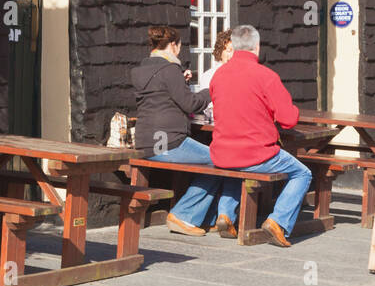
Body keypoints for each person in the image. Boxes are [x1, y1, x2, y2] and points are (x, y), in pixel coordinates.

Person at [209, 24, 313, 247]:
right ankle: (278, 222)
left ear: (233, 46)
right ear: (257, 46)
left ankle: (225, 215)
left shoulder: (218, 75)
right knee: (302, 173)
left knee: (235, 168)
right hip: (256, 154)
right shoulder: (266, 76)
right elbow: (288, 119)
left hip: (222, 152)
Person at [130, 25, 239, 238]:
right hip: (168, 143)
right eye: (179, 46)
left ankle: (205, 218)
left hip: (145, 141)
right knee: (223, 159)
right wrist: (211, 91)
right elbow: (190, 104)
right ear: (173, 45)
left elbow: (160, 96)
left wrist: (181, 82)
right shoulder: (170, 70)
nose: (180, 51)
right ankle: (184, 215)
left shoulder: (141, 69)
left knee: (215, 160)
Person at [194, 28, 233, 124]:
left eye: (236, 51)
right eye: (229, 50)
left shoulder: (244, 75)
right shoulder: (209, 75)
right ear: (220, 51)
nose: (232, 55)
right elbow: (208, 107)